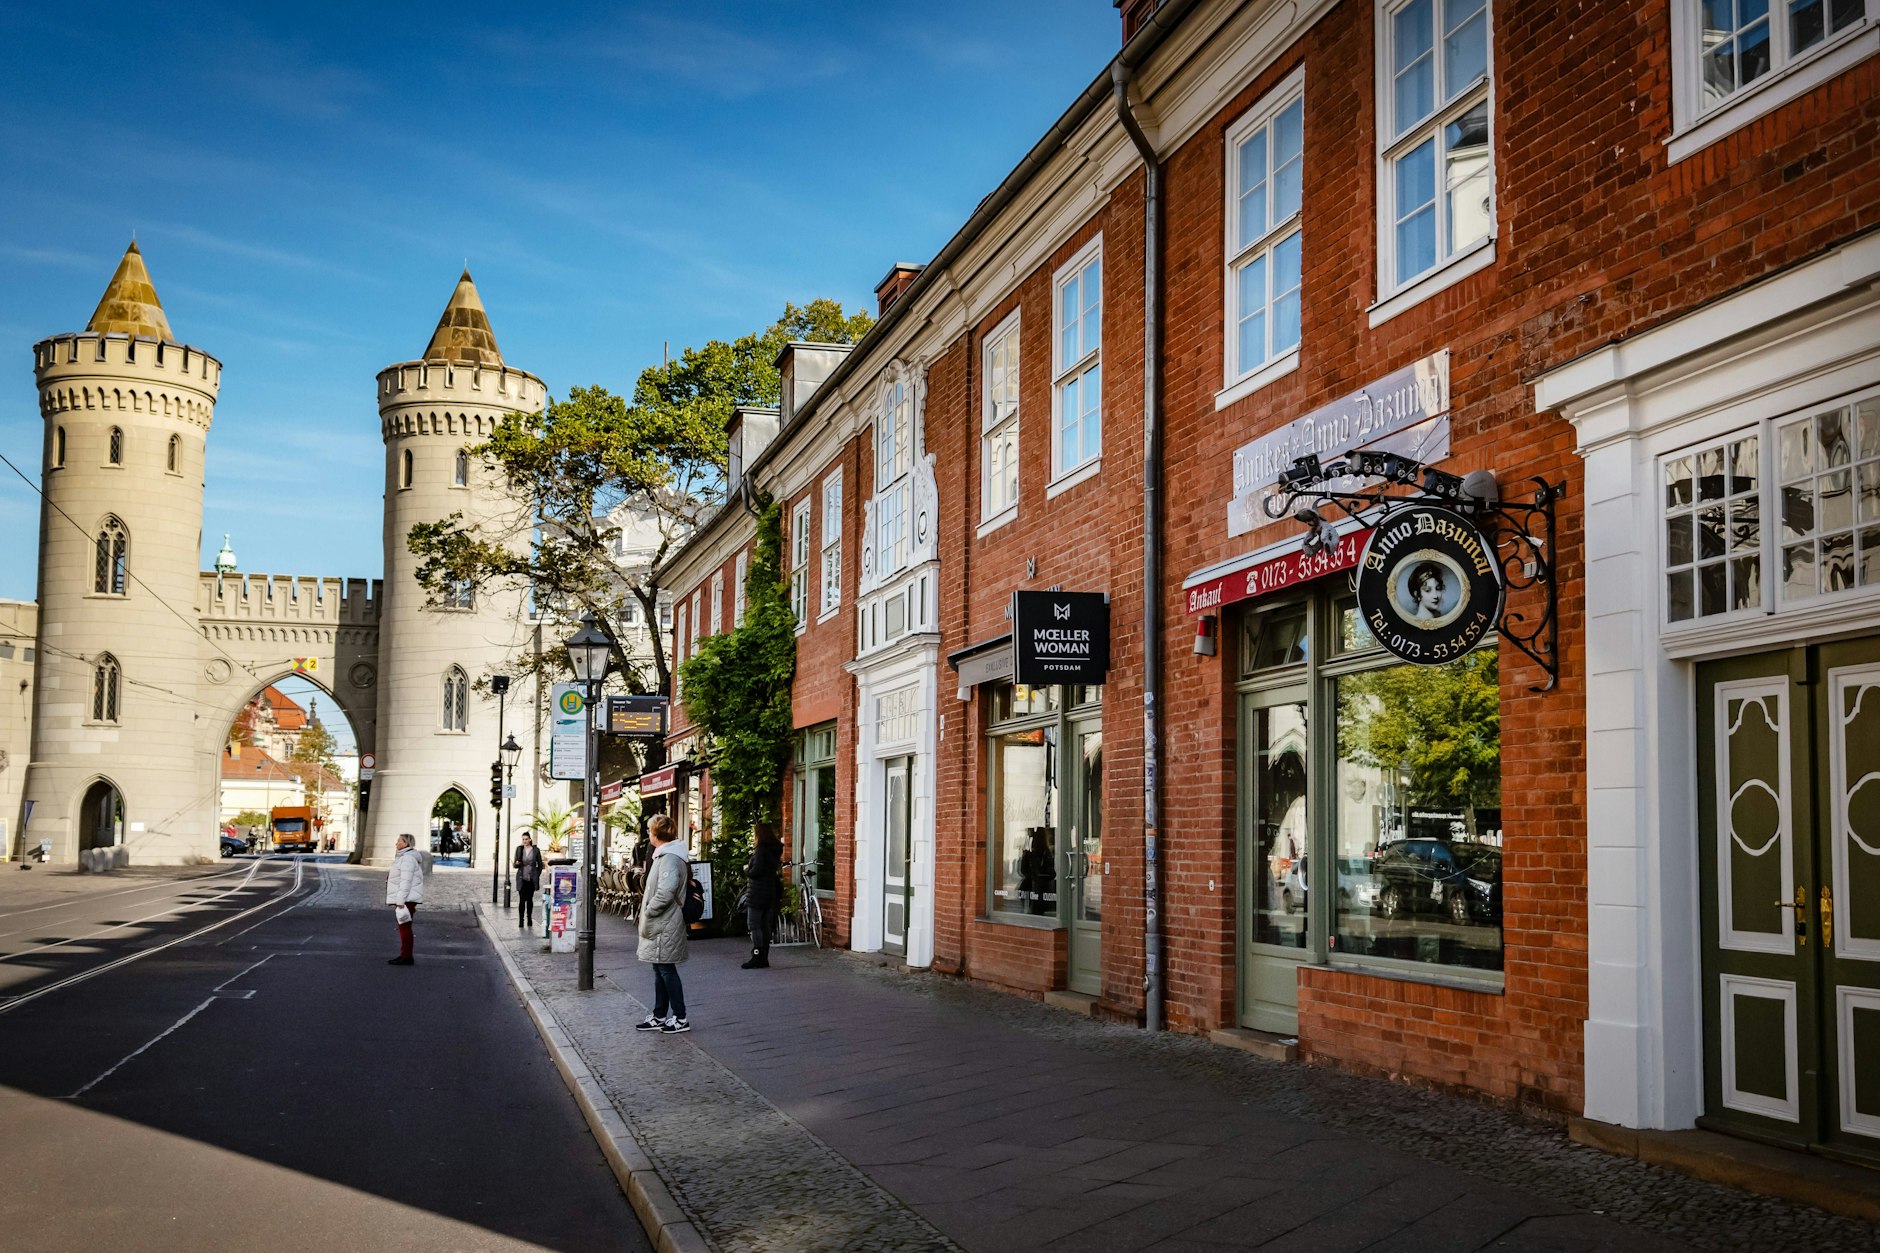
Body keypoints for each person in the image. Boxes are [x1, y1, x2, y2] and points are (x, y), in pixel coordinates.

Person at [634, 814, 690, 1033]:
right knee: (660, 969)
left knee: (666, 970)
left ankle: (680, 1017)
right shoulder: (664, 856)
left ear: (657, 833)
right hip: (661, 923)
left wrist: (649, 910)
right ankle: (659, 1015)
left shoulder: (670, 858)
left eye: (649, 830)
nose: (648, 833)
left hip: (665, 923)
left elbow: (666, 891)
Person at [743, 823, 783, 969]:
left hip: (757, 892)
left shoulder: (760, 850)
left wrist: (747, 870)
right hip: (770, 891)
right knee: (765, 926)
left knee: (754, 925)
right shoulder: (775, 850)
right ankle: (764, 957)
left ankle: (756, 956)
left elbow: (756, 871)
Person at [385, 832, 425, 966]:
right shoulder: (405, 857)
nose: (396, 843)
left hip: (406, 899)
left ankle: (406, 956)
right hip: (407, 898)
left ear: (406, 843)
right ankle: (405, 955)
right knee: (404, 927)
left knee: (405, 928)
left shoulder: (407, 858)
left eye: (399, 841)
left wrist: (400, 901)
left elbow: (406, 881)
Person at [514, 831, 544, 929]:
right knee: (522, 900)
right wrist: (517, 863)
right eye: (523, 839)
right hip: (522, 877)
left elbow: (540, 864)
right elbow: (515, 865)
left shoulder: (535, 850)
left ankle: (529, 918)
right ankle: (521, 920)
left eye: (526, 839)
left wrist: (537, 874)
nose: (525, 841)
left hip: (531, 878)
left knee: (530, 900)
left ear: (530, 839)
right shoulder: (519, 849)